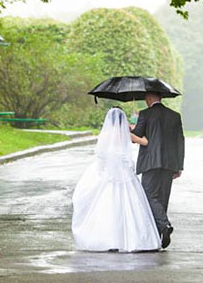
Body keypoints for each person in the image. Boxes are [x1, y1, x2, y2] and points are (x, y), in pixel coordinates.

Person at [71, 107, 161, 252]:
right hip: (125, 175)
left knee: (106, 205)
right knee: (130, 206)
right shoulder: (126, 134)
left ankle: (107, 239)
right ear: (123, 120)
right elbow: (145, 142)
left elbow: (100, 156)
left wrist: (101, 171)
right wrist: (134, 130)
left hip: (109, 175)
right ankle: (133, 240)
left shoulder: (105, 134)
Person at [131, 92, 185, 249]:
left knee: (149, 196)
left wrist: (130, 127)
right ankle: (159, 235)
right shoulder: (175, 115)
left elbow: (137, 135)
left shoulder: (145, 114)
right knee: (162, 198)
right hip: (170, 164)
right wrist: (179, 166)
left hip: (150, 162)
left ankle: (164, 225)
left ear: (148, 98)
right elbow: (180, 141)